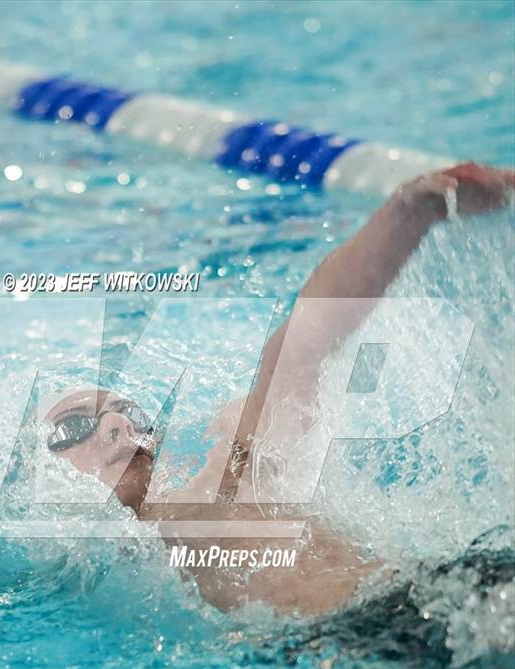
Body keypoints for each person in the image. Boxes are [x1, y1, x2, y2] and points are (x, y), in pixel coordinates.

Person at [44, 163, 514, 616]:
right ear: (44, 473)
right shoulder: (96, 562)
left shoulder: (218, 483)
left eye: (129, 411)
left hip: (417, 610)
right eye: (77, 425)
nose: (118, 423)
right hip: (380, 633)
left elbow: (295, 353)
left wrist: (410, 210)